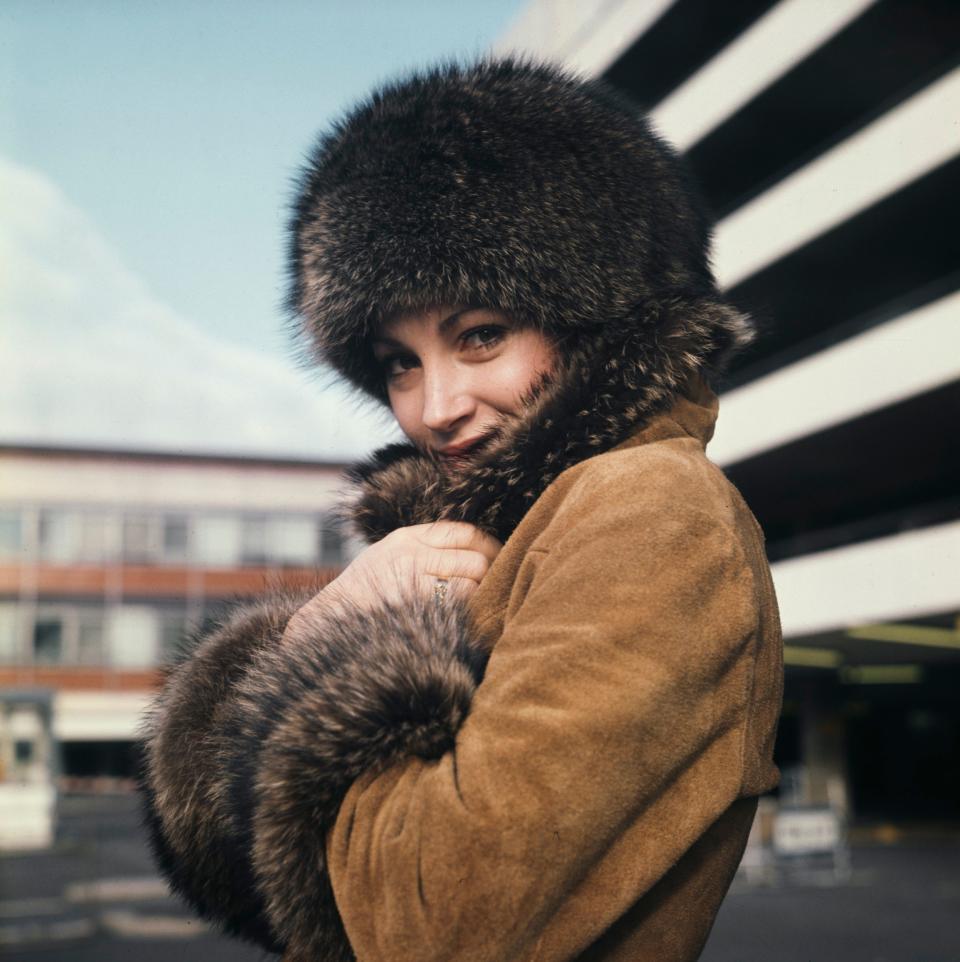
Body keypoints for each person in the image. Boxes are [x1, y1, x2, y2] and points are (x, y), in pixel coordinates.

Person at [139, 58, 783, 962]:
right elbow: (264, 893)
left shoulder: (651, 509)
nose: (433, 406)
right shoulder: (506, 530)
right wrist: (312, 634)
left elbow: (433, 924)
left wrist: (352, 649)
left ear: (593, 316)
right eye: (398, 360)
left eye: (480, 335)